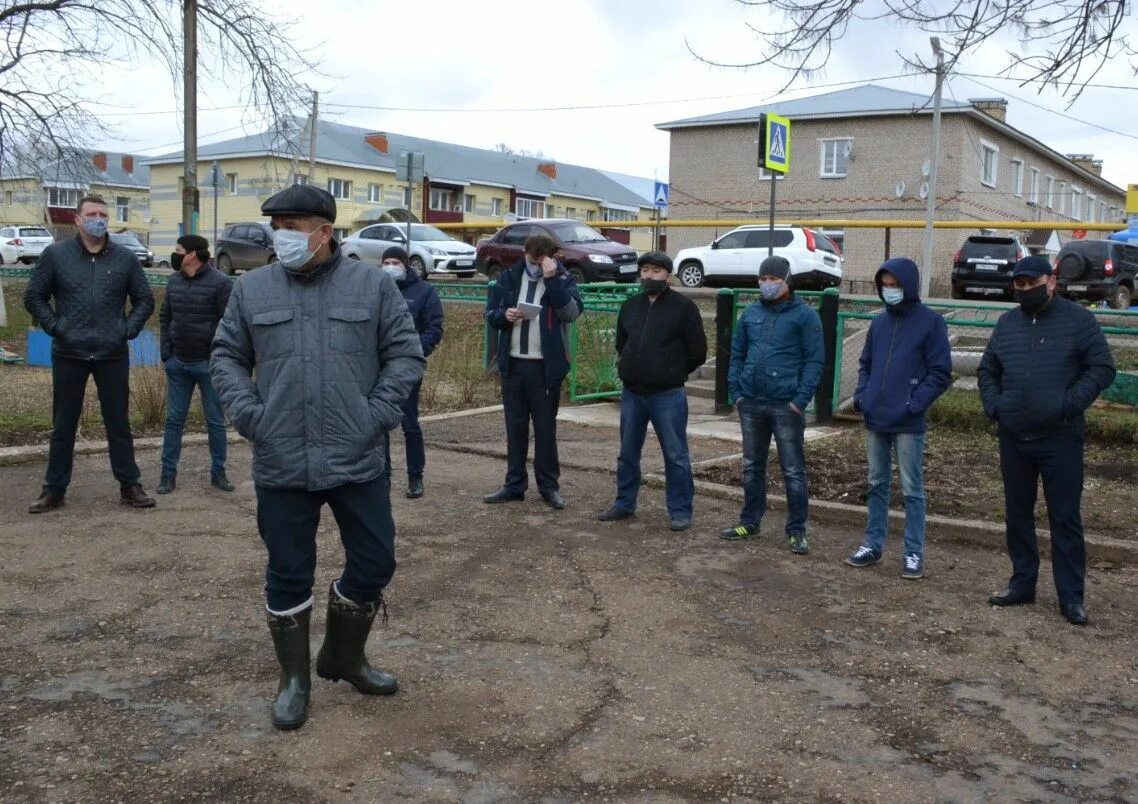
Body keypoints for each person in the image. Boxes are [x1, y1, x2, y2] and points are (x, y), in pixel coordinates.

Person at [210, 185, 425, 730]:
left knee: (375, 562)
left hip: (357, 455)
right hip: (282, 455)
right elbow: (227, 355)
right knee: (288, 572)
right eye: (275, 225)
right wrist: (251, 415)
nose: (279, 234)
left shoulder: (373, 286)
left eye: (291, 225)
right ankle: (294, 680)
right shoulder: (251, 289)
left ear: (324, 232)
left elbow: (405, 354)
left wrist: (374, 415)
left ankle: (343, 656)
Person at [978, 255, 1115, 626]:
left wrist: (1068, 404)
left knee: (1064, 518)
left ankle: (1071, 597)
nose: (1026, 291)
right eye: (1019, 286)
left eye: (1032, 284)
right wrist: (995, 406)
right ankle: (1022, 583)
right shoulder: (1007, 324)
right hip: (1014, 436)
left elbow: (1102, 367)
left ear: (1051, 281)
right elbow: (988, 369)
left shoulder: (1078, 320)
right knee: (1017, 514)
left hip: (1060, 437)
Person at [23, 195, 156, 513]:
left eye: (103, 214)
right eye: (92, 213)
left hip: (112, 353)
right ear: (78, 219)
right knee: (63, 425)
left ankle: (130, 485)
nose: (99, 219)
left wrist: (126, 330)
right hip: (69, 352)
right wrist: (56, 326)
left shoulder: (125, 258)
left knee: (119, 423)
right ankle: (54, 489)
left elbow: (145, 300)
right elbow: (34, 296)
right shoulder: (56, 255)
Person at [846, 258, 952, 579]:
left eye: (895, 285)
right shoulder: (879, 323)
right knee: (876, 483)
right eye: (885, 286)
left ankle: (913, 552)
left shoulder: (931, 323)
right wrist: (862, 396)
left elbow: (940, 372)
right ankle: (873, 543)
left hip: (907, 420)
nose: (889, 291)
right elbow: (866, 364)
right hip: (876, 417)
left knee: (911, 489)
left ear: (908, 285)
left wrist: (913, 403)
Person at [720, 255, 824, 554]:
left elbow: (815, 361)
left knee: (793, 470)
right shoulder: (750, 313)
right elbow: (737, 354)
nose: (767, 284)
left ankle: (796, 531)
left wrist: (799, 401)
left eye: (774, 279)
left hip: (785, 405)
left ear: (787, 281)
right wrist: (736, 392)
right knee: (752, 467)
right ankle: (750, 522)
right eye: (763, 279)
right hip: (751, 402)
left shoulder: (805, 316)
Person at [597, 252, 707, 531]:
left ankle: (680, 510)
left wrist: (671, 370)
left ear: (668, 276)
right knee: (627, 453)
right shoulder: (630, 305)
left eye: (656, 271)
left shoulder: (684, 308)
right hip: (632, 393)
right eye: (645, 270)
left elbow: (698, 351)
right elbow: (622, 343)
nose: (649, 276)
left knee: (675, 455)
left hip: (667, 394)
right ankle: (624, 503)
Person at [483, 233, 583, 510]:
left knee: (545, 429)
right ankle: (514, 485)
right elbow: (490, 313)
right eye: (533, 260)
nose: (537, 266)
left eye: (542, 262)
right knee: (515, 427)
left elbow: (571, 314)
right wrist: (504, 316)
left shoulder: (562, 278)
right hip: (514, 364)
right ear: (524, 252)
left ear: (552, 257)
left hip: (545, 368)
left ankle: (549, 486)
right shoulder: (510, 277)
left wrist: (552, 280)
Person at [157, 235, 234, 494]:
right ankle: (167, 475)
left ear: (192, 254)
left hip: (208, 366)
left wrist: (218, 358)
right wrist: (166, 354)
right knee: (174, 421)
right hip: (178, 363)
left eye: (178, 250)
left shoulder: (221, 283)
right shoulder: (174, 281)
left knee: (216, 421)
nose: (175, 254)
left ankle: (219, 472)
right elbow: (165, 317)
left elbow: (228, 324)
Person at [379, 245, 444, 499]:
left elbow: (434, 328)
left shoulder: (424, 291)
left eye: (395, 262)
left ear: (405, 265)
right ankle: (382, 476)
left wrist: (414, 354)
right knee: (378, 423)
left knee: (410, 423)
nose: (390, 267)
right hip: (377, 367)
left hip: (407, 368)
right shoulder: (376, 288)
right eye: (386, 262)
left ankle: (415, 477)